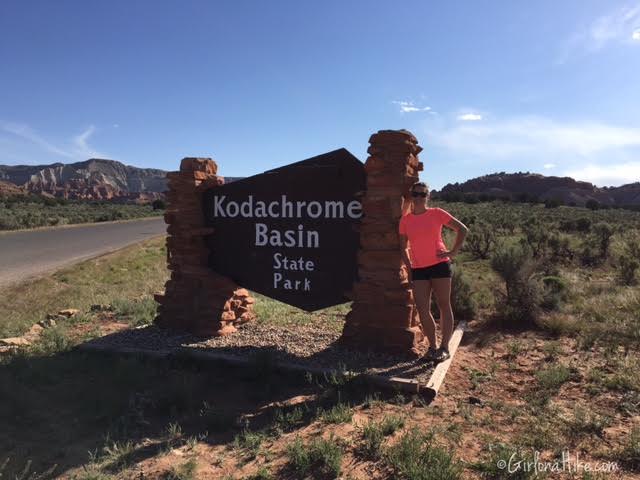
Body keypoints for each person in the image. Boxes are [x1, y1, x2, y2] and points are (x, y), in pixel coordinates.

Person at [399, 181, 469, 363]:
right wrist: (409, 266)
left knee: (444, 305)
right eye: (415, 194)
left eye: (423, 194)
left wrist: (452, 252)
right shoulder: (405, 220)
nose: (419, 198)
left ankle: (444, 347)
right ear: (411, 196)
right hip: (419, 268)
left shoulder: (436, 214)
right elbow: (402, 246)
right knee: (423, 309)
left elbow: (462, 229)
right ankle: (433, 346)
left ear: (427, 196)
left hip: (439, 265)